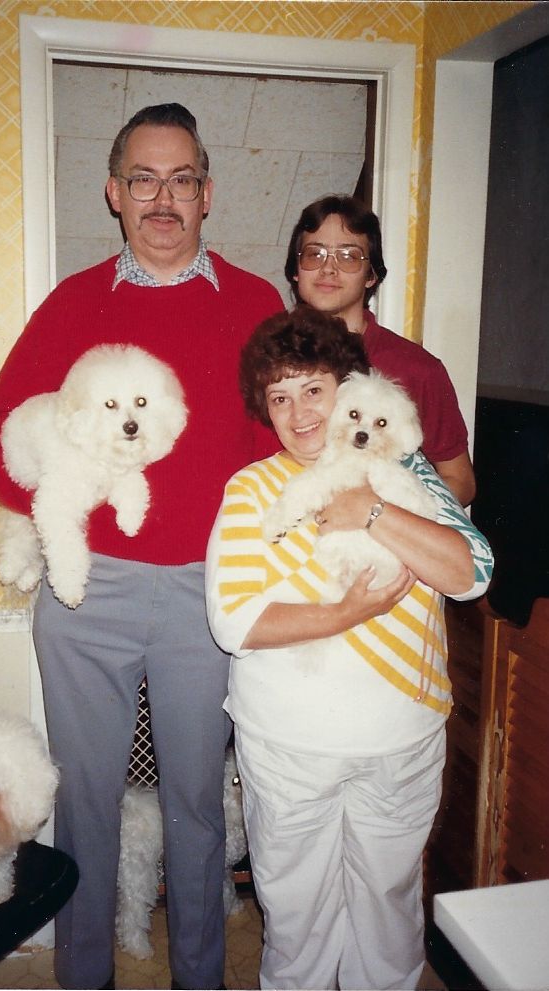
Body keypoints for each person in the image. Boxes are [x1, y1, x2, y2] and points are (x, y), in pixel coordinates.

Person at [0, 103, 283, 990]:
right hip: (87, 594)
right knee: (87, 805)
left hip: (205, 595)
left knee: (197, 807)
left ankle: (200, 977)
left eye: (182, 179)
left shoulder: (255, 303)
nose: (163, 198)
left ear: (207, 192)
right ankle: (84, 978)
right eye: (144, 179)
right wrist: (53, 502)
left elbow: (281, 449)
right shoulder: (74, 303)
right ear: (114, 192)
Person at [205, 306, 493, 990]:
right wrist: (346, 611)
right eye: (279, 396)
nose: (298, 411)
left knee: (389, 908)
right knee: (297, 911)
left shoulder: (413, 476)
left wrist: (373, 510)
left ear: (350, 389)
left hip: (402, 736)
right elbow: (235, 623)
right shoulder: (250, 491)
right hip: (290, 745)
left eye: (313, 388)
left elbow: (470, 572)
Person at [285, 194, 477, 506]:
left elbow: (461, 481)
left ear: (371, 275)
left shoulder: (417, 368)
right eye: (313, 254)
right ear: (296, 270)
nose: (328, 269)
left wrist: (382, 513)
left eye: (349, 256)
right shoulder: (271, 360)